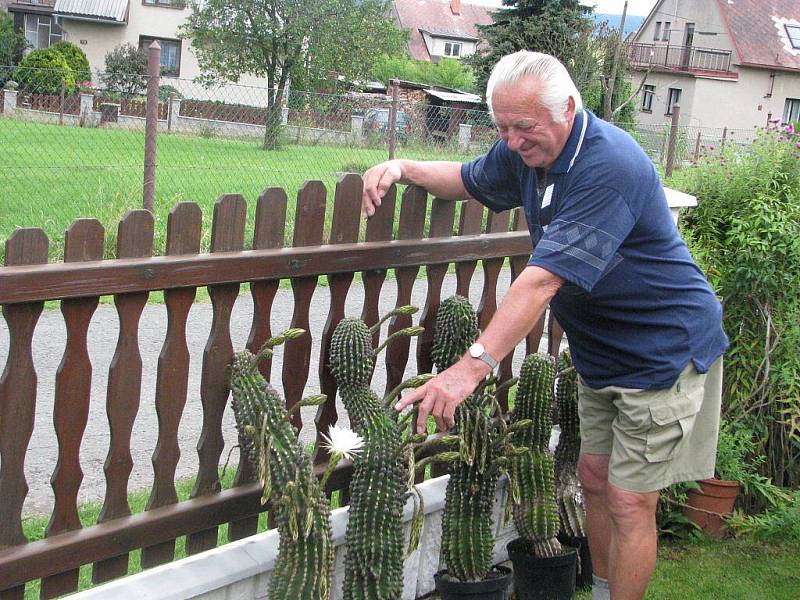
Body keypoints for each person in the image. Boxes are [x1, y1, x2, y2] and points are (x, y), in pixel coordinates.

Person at [361, 51, 728, 600]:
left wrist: (468, 370)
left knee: (631, 499)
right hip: (601, 352)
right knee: (595, 480)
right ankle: (604, 587)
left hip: (663, 349)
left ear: (570, 109)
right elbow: (466, 178)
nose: (510, 141)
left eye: (523, 127)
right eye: (502, 127)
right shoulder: (526, 150)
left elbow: (541, 282)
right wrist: (402, 168)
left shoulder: (609, 166)